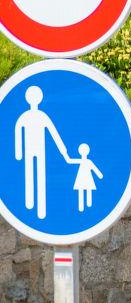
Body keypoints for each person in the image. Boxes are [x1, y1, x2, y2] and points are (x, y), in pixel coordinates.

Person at [13, 85, 72, 222]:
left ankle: (39, 207)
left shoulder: (38, 116)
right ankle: (30, 203)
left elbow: (53, 133)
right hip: (30, 150)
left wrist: (63, 150)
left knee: (38, 175)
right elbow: (18, 131)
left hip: (39, 150)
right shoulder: (28, 116)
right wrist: (18, 152)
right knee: (31, 174)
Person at [69, 142, 101, 213]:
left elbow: (94, 168)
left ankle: (88, 205)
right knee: (81, 190)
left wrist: (99, 175)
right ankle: (82, 207)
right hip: (81, 177)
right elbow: (70, 161)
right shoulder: (83, 161)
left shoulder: (88, 161)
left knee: (88, 189)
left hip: (87, 177)